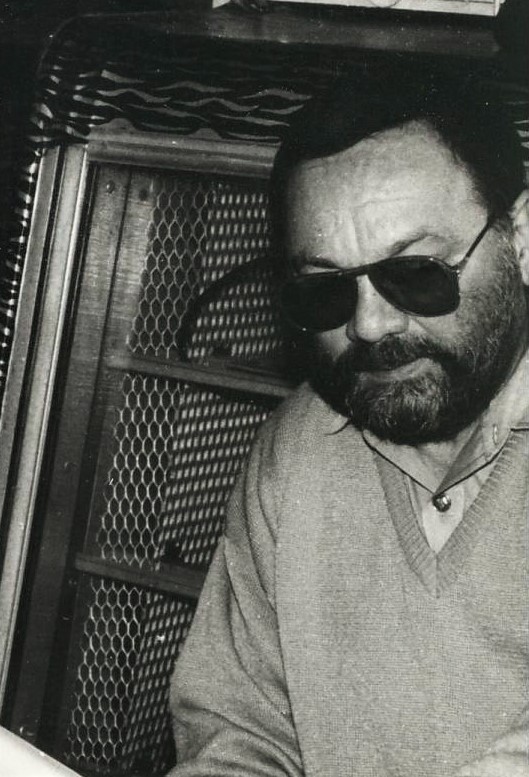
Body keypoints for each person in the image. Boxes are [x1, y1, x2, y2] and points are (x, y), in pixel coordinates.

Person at [167, 64, 529, 777]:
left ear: (521, 237)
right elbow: (239, 730)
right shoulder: (298, 448)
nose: (369, 325)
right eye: (325, 291)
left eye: (416, 273)